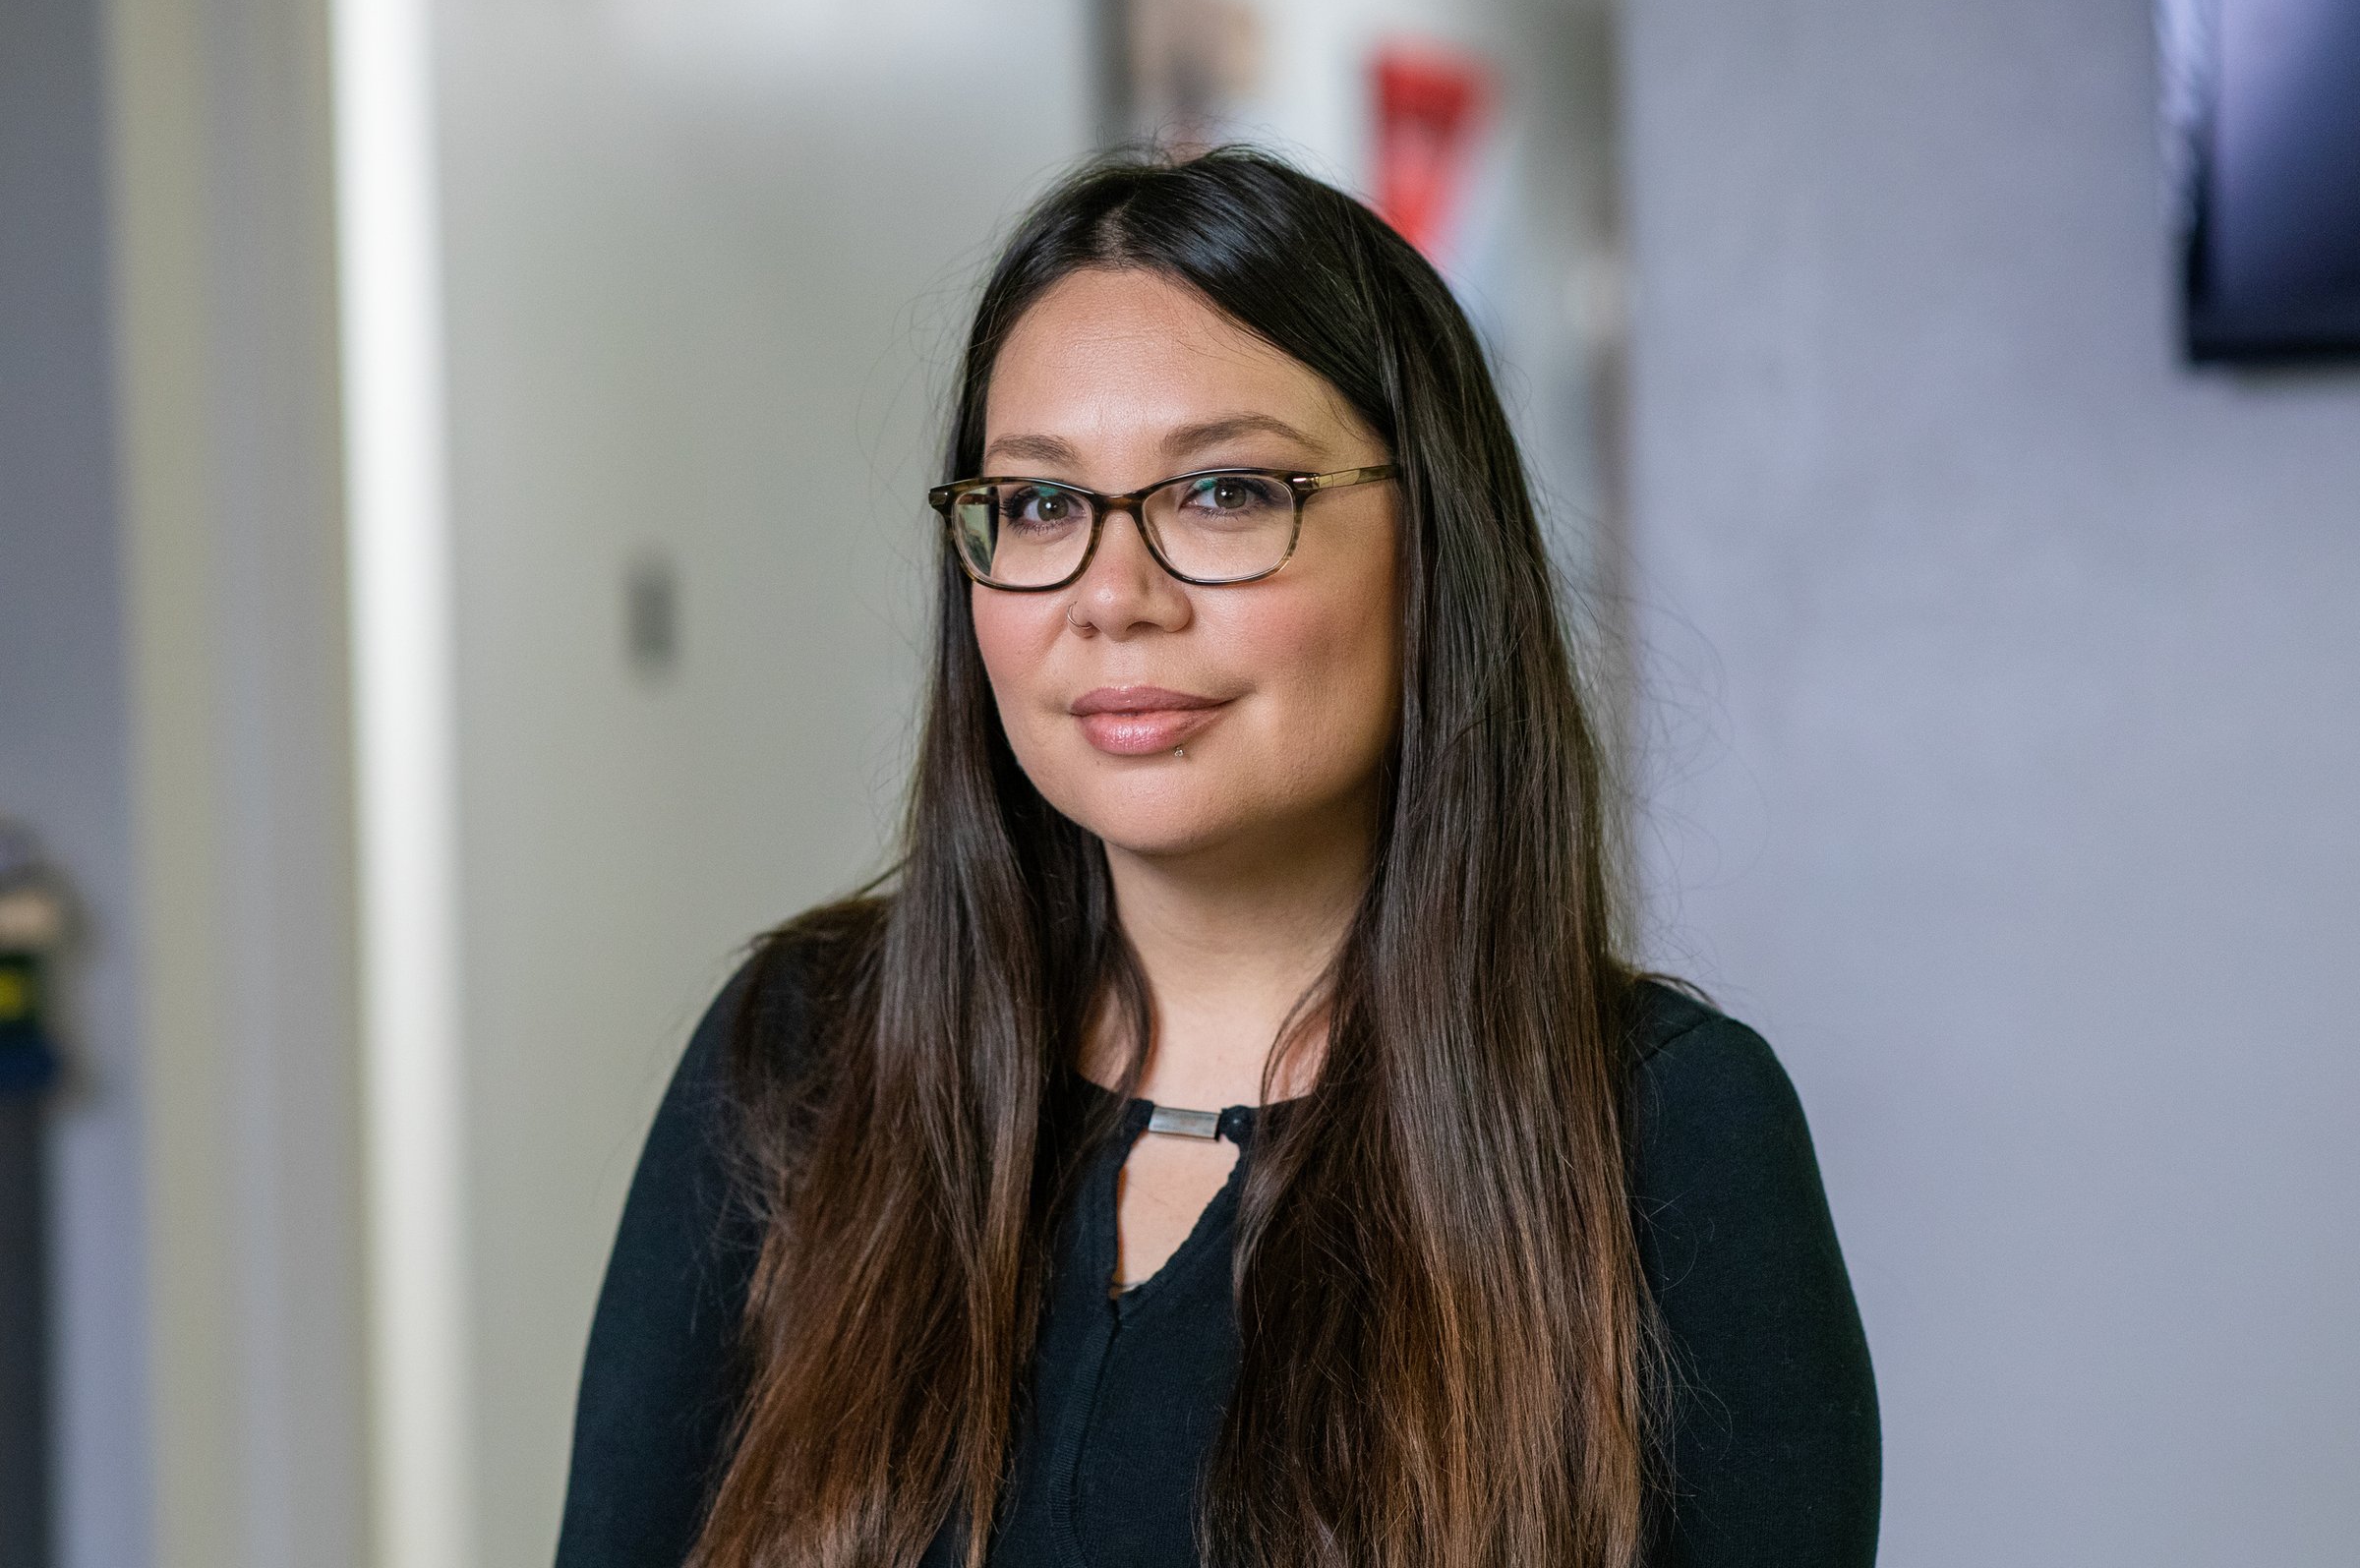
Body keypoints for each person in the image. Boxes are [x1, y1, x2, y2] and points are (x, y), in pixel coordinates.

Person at [554, 147, 1878, 1568]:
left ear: (1434, 545)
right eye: (1040, 505)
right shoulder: (801, 1058)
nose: (1113, 598)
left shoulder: (1666, 1134)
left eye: (1227, 492)